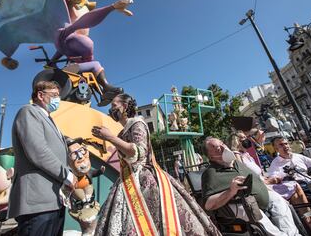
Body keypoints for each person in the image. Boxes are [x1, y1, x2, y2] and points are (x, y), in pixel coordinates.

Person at [91, 93, 221, 235]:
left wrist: (110, 138)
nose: (111, 110)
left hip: (146, 180)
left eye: (114, 106)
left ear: (125, 106)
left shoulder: (138, 123)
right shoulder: (122, 132)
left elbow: (139, 152)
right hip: (127, 180)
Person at [9, 81, 75, 236]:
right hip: (38, 202)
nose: (57, 100)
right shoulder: (29, 112)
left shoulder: (50, 119)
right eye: (54, 95)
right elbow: (38, 151)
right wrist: (67, 174)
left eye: (59, 96)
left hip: (54, 201)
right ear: (40, 95)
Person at [202, 137, 300, 236]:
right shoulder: (210, 173)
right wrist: (231, 191)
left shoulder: (237, 163)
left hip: (260, 198)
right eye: (217, 148)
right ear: (211, 157)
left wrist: (270, 191)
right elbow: (208, 205)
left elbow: (257, 181)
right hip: (241, 203)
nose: (223, 148)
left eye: (222, 144)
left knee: (279, 201)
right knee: (254, 211)